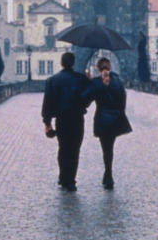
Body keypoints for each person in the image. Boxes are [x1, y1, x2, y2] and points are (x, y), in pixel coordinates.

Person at [41, 52, 89, 192]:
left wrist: (47, 122)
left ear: (62, 63)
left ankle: (63, 177)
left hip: (61, 120)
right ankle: (71, 181)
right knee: (74, 149)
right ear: (73, 63)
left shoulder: (52, 80)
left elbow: (47, 104)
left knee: (63, 148)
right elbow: (88, 99)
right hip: (77, 119)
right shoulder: (81, 79)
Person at [82, 57, 132, 190]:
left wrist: (88, 82)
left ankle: (108, 175)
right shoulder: (118, 82)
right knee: (110, 147)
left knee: (106, 148)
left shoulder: (96, 83)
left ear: (99, 68)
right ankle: (108, 174)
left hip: (103, 120)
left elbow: (85, 100)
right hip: (115, 119)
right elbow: (123, 101)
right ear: (109, 67)